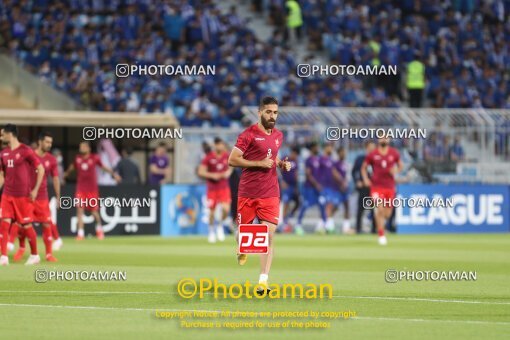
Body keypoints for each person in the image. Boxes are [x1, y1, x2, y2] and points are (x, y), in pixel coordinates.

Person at [228, 96, 291, 294]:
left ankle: (263, 281)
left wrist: (281, 164)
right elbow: (233, 160)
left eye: (275, 113)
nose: (272, 116)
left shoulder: (279, 135)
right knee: (244, 236)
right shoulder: (248, 135)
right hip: (248, 192)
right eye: (269, 112)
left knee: (268, 235)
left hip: (270, 192)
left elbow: (271, 155)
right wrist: (259, 163)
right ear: (260, 113)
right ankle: (242, 247)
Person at [10, 131, 60, 262]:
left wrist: (58, 196)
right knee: (22, 224)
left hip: (42, 197)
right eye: (47, 142)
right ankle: (21, 248)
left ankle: (48, 254)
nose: (49, 145)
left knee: (46, 224)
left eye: (51, 142)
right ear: (40, 142)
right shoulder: (28, 155)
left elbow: (55, 179)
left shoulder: (51, 160)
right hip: (26, 196)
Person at [0, 124, 45, 266]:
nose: (1, 137)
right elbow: (2, 174)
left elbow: (40, 168)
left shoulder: (26, 151)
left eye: (2, 134)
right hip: (7, 194)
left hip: (23, 196)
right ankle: (4, 256)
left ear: (10, 134)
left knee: (26, 225)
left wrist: (36, 189)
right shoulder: (3, 153)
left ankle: (34, 255)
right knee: (4, 223)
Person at [64, 141, 120, 240]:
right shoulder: (77, 158)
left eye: (84, 147)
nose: (82, 148)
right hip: (80, 189)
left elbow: (103, 166)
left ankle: (99, 230)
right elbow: (72, 167)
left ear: (88, 148)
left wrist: (113, 174)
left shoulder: (94, 158)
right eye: (81, 147)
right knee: (79, 211)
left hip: (92, 190)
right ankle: (80, 234)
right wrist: (66, 174)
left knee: (94, 212)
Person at [361, 137, 403, 245]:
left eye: (386, 138)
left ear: (388, 140)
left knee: (387, 214)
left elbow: (400, 165)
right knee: (380, 209)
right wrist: (366, 179)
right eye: (382, 138)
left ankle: (379, 221)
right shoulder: (373, 154)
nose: (384, 140)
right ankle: (381, 234)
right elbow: (363, 167)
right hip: (376, 187)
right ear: (378, 140)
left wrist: (396, 170)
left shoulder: (394, 153)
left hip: (389, 187)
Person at [197, 137, 232, 243]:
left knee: (226, 209)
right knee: (211, 212)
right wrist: (212, 175)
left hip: (224, 187)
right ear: (215, 145)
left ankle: (220, 225)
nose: (220, 147)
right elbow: (201, 172)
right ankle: (211, 230)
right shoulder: (208, 157)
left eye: (222, 144)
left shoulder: (227, 156)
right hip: (212, 188)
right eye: (218, 145)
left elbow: (232, 165)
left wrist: (228, 172)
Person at [295, 143, 327, 235]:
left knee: (322, 204)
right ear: (312, 148)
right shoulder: (309, 160)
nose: (318, 148)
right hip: (309, 187)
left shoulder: (318, 159)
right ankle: (298, 225)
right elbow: (308, 174)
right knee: (305, 205)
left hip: (317, 188)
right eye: (316, 147)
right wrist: (316, 184)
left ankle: (324, 226)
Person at [352, 141, 376, 233]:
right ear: (366, 147)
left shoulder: (377, 159)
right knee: (360, 209)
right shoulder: (360, 159)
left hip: (374, 188)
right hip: (363, 187)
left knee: (374, 209)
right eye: (370, 147)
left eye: (373, 147)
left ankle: (374, 229)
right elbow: (354, 171)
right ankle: (358, 229)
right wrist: (357, 181)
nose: (372, 149)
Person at [331, 147, 352, 234]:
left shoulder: (345, 164)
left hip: (344, 189)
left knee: (347, 207)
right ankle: (328, 223)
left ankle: (346, 227)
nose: (344, 155)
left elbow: (347, 176)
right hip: (337, 189)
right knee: (334, 207)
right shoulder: (336, 164)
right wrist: (341, 182)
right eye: (342, 153)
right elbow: (334, 174)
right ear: (338, 154)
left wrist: (346, 183)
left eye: (344, 153)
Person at [280, 147, 300, 231]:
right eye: (295, 154)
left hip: (293, 186)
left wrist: (296, 186)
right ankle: (283, 223)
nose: (296, 156)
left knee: (298, 202)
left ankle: (289, 217)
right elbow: (278, 170)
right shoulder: (285, 159)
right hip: (286, 186)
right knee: (286, 203)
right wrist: (282, 181)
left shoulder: (295, 162)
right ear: (293, 153)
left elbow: (296, 174)